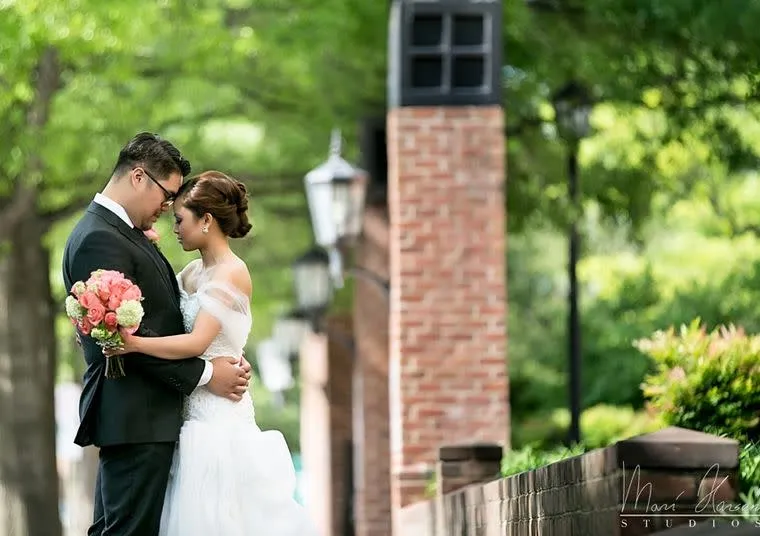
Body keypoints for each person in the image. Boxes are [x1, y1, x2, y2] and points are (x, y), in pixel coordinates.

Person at [104, 170, 316, 536]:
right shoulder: (192, 272)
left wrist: (134, 344)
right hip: (191, 411)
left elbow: (196, 342)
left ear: (206, 220)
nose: (174, 227)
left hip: (219, 418)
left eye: (180, 219)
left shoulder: (232, 272)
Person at [62, 133, 253, 536]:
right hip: (137, 414)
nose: (167, 209)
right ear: (138, 177)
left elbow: (167, 320)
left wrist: (228, 347)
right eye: (166, 196)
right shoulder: (101, 238)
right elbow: (118, 339)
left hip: (157, 417)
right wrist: (205, 375)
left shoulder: (119, 232)